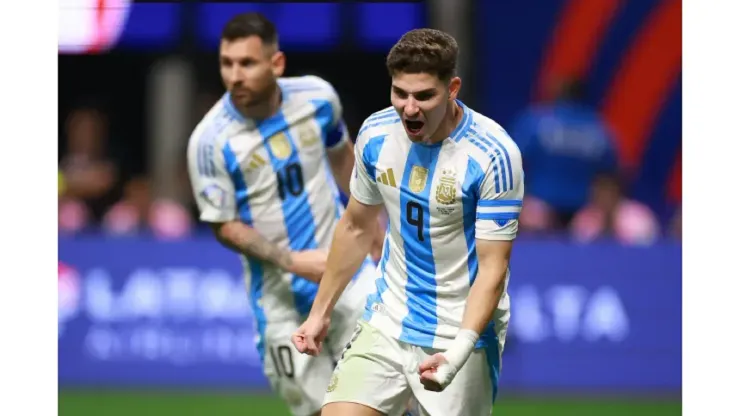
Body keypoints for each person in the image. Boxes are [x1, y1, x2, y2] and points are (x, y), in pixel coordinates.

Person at [292, 28, 524, 416]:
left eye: (424, 96)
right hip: (388, 319)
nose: (409, 109)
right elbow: (356, 226)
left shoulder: (493, 156)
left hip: (457, 334)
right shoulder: (376, 135)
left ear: (452, 88)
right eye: (400, 93)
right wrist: (320, 313)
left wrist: (458, 352)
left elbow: (493, 268)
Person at [186, 13, 381, 416]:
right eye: (227, 63)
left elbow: (346, 164)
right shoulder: (209, 141)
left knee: (380, 397)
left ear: (276, 64)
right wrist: (291, 261)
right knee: (315, 409)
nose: (235, 75)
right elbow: (223, 226)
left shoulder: (317, 99)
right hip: (278, 301)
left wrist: (377, 241)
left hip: (350, 276)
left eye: (247, 63)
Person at [511, 77, 618, 231]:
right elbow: (612, 173)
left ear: (558, 93)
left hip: (539, 208)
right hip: (584, 214)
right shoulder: (599, 127)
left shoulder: (535, 121)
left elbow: (509, 161)